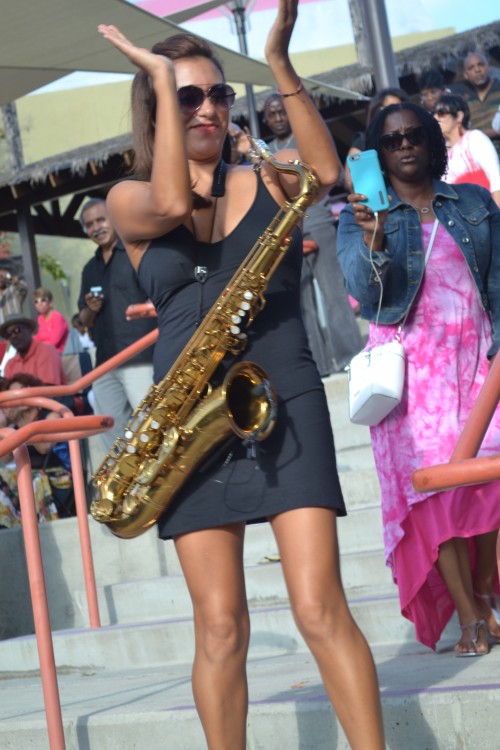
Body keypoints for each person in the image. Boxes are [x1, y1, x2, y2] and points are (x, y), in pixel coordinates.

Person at [96, 3, 385, 749]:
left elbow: (327, 172)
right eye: (188, 96)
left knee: (321, 607)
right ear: (157, 106)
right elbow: (168, 201)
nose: (208, 107)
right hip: (191, 416)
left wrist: (279, 61)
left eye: (218, 93)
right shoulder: (129, 199)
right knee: (220, 626)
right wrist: (159, 77)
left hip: (284, 389)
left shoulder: (268, 175)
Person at [337, 101, 500, 657]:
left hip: (478, 359)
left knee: (488, 479)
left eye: (413, 135)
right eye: (390, 140)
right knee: (435, 494)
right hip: (412, 373)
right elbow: (367, 298)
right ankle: (470, 612)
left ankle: (483, 584)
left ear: (432, 141)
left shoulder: (475, 203)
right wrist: (375, 238)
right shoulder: (357, 218)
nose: (404, 145)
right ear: (378, 154)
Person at [263, 93, 364, 375]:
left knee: (333, 293)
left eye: (282, 111)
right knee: (301, 298)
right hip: (289, 229)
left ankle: (350, 355)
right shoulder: (268, 150)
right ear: (266, 118)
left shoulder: (304, 141)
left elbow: (331, 175)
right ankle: (317, 364)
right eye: (272, 114)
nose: (279, 117)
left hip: (318, 220)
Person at [78, 198, 157, 451]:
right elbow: (83, 320)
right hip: (104, 364)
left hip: (140, 356)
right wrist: (90, 310)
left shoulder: (137, 252)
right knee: (112, 434)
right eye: (90, 224)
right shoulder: (89, 268)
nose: (96, 227)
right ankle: (128, 490)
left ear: (113, 219)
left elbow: (158, 297)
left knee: (151, 427)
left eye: (101, 220)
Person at [0, 374, 73, 521]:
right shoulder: (13, 426)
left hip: (56, 474)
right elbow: (7, 458)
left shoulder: (51, 414)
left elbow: (44, 447)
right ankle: (10, 525)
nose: (14, 402)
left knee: (35, 480)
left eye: (19, 394)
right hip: (30, 477)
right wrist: (2, 425)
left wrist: (23, 424)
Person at [433, 94, 500, 207]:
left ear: (459, 116)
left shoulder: (475, 138)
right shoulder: (441, 154)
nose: (436, 118)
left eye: (442, 113)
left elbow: (496, 179)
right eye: (434, 114)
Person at [0, 313, 65, 385]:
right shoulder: (10, 364)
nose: (13, 336)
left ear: (29, 330)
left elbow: (49, 389)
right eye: (8, 334)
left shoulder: (46, 351)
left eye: (16, 330)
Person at [461, 52, 500, 158]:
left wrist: (476, 135)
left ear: (489, 67)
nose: (477, 70)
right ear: (466, 75)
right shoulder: (466, 104)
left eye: (481, 65)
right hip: (485, 163)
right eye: (471, 68)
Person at [32, 287, 69, 353]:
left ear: (50, 302)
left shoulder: (57, 317)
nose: (39, 304)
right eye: (36, 302)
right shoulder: (40, 318)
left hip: (59, 355)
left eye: (43, 300)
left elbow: (53, 342)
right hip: (45, 353)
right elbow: (39, 337)